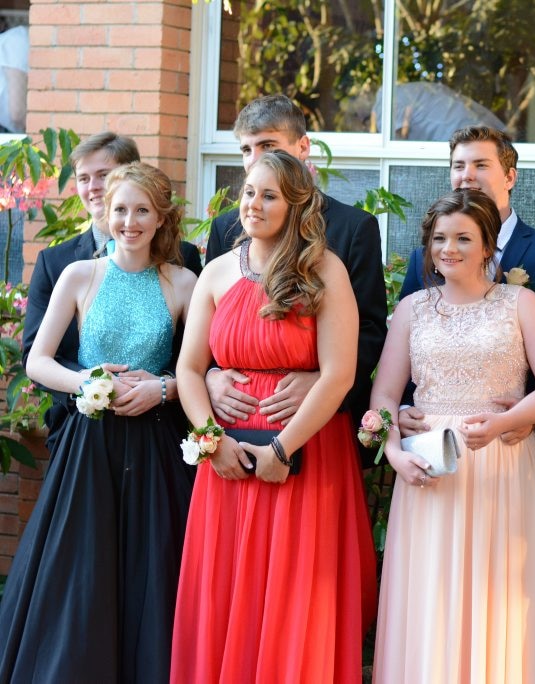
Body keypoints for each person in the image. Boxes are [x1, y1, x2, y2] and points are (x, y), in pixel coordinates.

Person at [171, 150, 377, 683]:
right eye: (248, 193)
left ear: (295, 204)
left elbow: (339, 375)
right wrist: (211, 441)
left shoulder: (323, 268)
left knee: (293, 596)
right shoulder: (216, 272)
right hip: (226, 465)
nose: (253, 205)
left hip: (304, 460)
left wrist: (282, 448)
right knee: (225, 590)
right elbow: (191, 370)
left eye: (269, 195)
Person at [0, 163, 198, 681]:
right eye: (120, 210)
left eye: (141, 211)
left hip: (156, 447)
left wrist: (164, 388)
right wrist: (87, 382)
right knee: (82, 569)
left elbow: (205, 368)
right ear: (104, 214)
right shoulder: (79, 275)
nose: (129, 221)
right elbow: (38, 361)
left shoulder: (182, 282)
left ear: (161, 219)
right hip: (89, 446)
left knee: (152, 568)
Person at [372, 188, 535, 682]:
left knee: (497, 597)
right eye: (439, 238)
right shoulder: (412, 310)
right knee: (431, 594)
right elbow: (383, 398)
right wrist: (394, 451)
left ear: (488, 246)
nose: (449, 249)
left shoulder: (521, 303)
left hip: (502, 462)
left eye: (464, 237)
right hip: (429, 472)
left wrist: (508, 420)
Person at [399, 125, 535, 560]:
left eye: (481, 165)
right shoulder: (424, 258)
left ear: (510, 176)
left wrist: (532, 415)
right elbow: (414, 344)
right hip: (436, 457)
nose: (467, 175)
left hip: (524, 454)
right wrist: (402, 413)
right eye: (458, 165)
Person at [204, 94, 387, 460]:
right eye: (246, 149)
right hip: (234, 427)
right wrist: (210, 376)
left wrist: (322, 381)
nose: (256, 158)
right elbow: (212, 322)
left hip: (315, 424)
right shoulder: (227, 227)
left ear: (303, 146)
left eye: (268, 145)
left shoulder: (353, 228)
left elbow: (370, 327)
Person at [22, 132, 202, 449]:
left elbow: (202, 358)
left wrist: (165, 388)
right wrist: (95, 385)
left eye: (103, 175)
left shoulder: (183, 270)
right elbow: (36, 358)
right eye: (83, 177)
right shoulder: (63, 267)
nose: (93, 186)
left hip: (158, 431)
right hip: (81, 428)